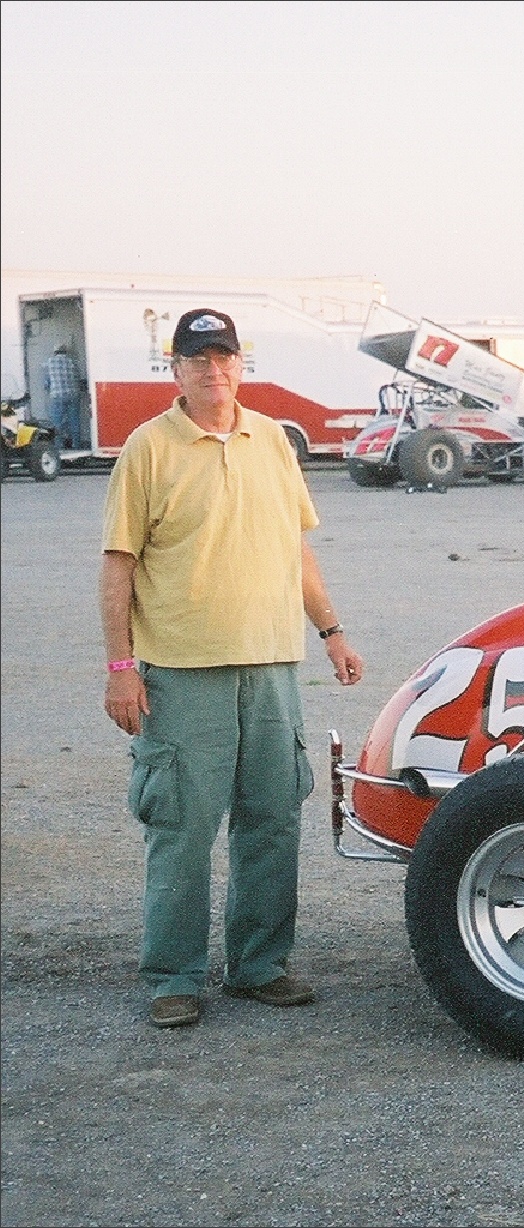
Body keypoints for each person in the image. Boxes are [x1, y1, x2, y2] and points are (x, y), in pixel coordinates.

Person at [99, 308, 364, 1030]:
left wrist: (332, 631)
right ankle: (173, 977)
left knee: (272, 818)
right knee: (182, 827)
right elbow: (118, 563)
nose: (213, 371)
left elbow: (295, 549)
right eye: (197, 360)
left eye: (224, 357)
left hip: (274, 666)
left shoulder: (272, 440)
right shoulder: (148, 450)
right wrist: (122, 667)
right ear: (176, 370)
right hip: (183, 673)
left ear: (241, 363)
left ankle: (259, 966)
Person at [46, 343, 86, 450]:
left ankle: (59, 447)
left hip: (57, 396)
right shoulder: (73, 362)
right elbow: (79, 379)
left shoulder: (50, 362)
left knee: (57, 422)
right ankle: (76, 445)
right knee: (74, 421)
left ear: (55, 352)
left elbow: (47, 383)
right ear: (65, 352)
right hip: (73, 395)